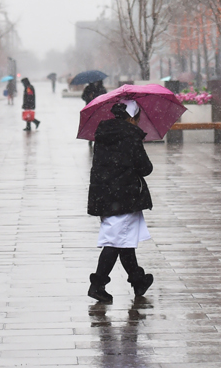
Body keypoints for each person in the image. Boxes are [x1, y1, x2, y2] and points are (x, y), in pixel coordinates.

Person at [86, 100, 155, 303]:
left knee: (124, 240)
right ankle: (97, 285)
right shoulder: (130, 135)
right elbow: (146, 168)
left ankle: (138, 280)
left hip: (105, 195)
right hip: (124, 196)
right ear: (132, 117)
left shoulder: (103, 134)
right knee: (115, 242)